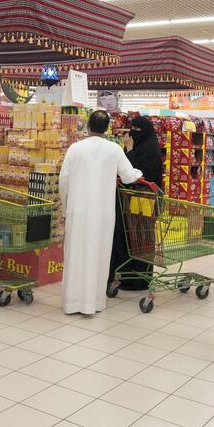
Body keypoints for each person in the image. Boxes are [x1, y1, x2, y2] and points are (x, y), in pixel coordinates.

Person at [60, 110, 142, 315]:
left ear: (88, 126)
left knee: (75, 253)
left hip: (77, 211)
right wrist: (139, 172)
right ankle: (94, 303)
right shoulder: (114, 149)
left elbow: (64, 180)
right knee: (99, 253)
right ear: (107, 128)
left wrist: (65, 207)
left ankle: (72, 302)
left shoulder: (75, 148)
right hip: (102, 213)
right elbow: (128, 176)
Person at [108, 115, 163, 291]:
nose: (133, 132)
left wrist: (130, 150)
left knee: (140, 238)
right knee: (127, 237)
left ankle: (139, 279)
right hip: (130, 201)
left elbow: (137, 175)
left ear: (145, 132)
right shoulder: (143, 145)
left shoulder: (150, 150)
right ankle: (125, 275)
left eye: (137, 130)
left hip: (143, 203)